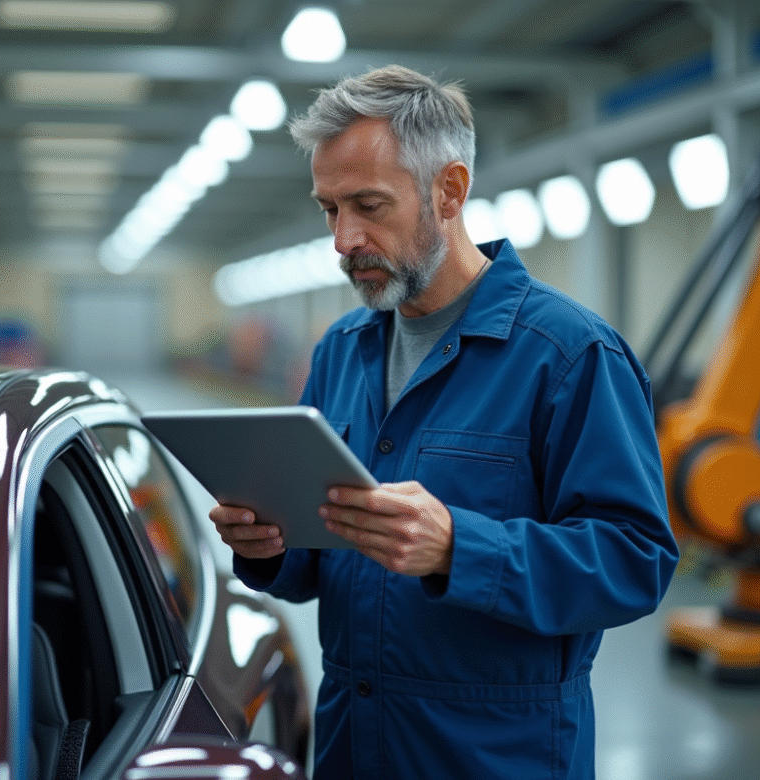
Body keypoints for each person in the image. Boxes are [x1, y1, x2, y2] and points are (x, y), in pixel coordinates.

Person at [208, 65, 679, 780]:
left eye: (368, 205)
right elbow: (321, 557)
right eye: (329, 210)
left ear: (450, 191)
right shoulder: (342, 352)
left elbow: (634, 560)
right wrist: (271, 544)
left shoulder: (568, 356)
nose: (343, 239)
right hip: (353, 745)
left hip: (496, 757)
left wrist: (463, 548)